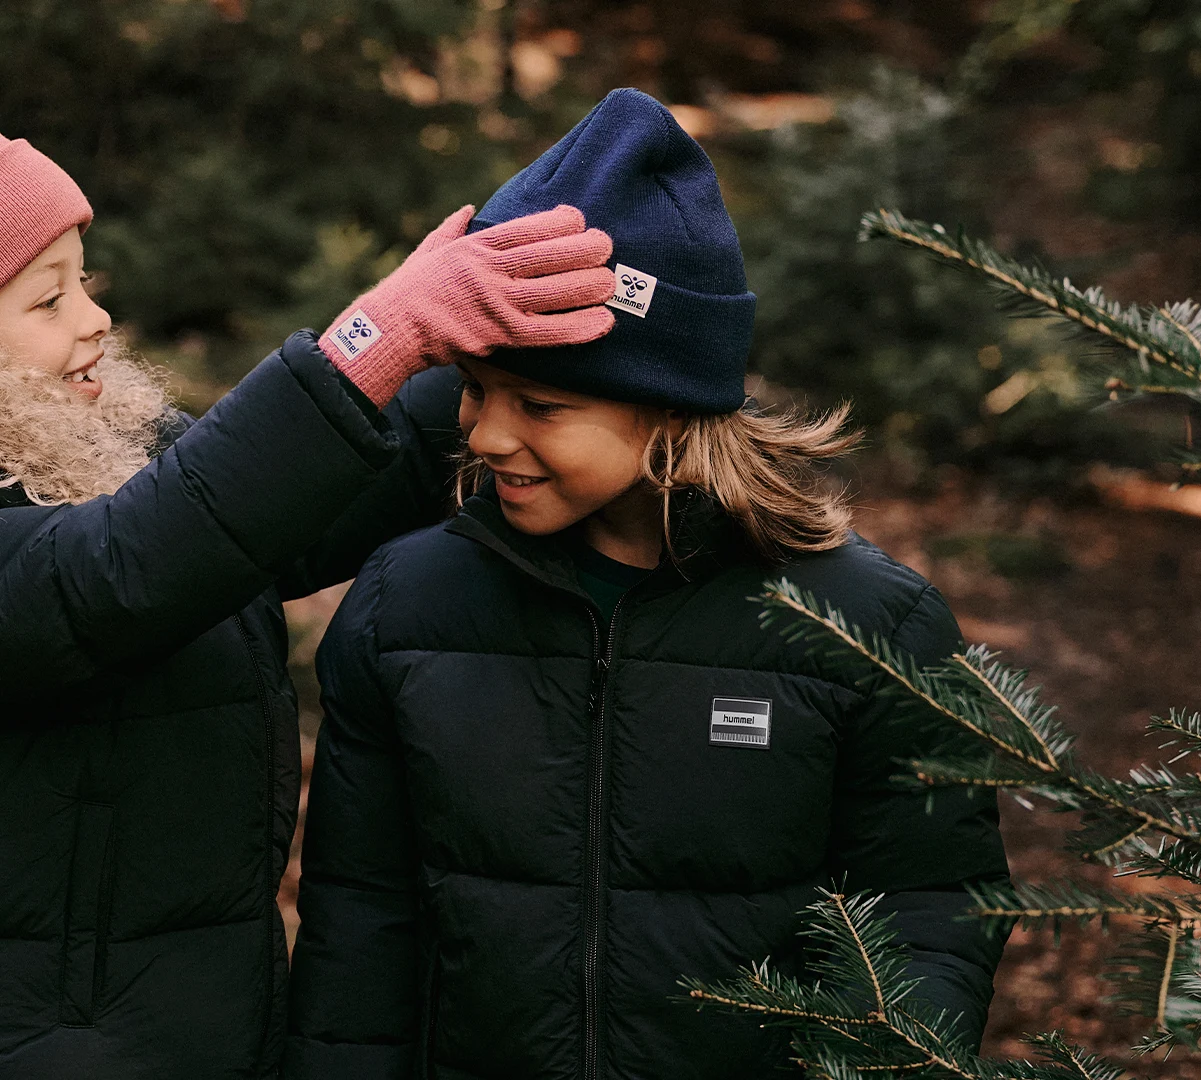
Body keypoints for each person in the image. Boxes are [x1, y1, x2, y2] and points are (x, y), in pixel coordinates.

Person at [0, 61, 622, 1080]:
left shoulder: (92, 463)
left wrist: (469, 338)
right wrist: (377, 337)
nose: (94, 317)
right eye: (46, 299)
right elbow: (128, 567)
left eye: (83, 279)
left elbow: (280, 518)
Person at [284, 88, 1010, 1080]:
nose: (487, 435)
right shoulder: (404, 609)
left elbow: (929, 919)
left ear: (670, 410)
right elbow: (360, 929)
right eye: (475, 390)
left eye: (540, 403)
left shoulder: (866, 626)